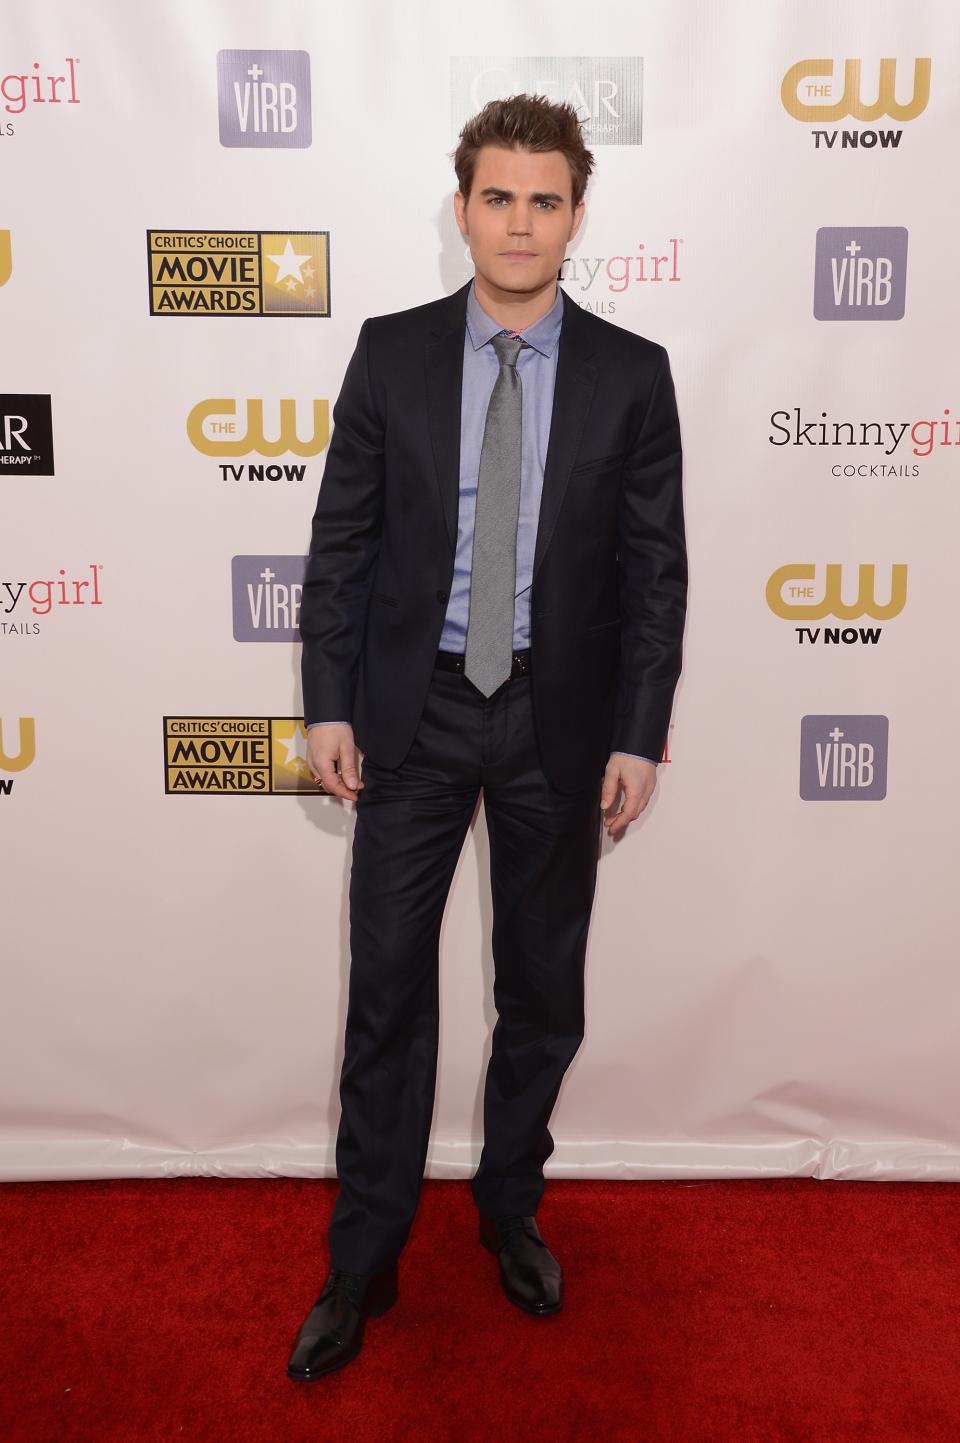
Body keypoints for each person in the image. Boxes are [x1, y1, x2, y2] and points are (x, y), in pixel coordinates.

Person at [287, 93, 687, 1381]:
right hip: (411, 719)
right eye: (497, 198)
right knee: (388, 996)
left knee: (542, 994)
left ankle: (508, 1208)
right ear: (462, 207)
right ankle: (363, 1259)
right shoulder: (389, 352)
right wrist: (330, 702)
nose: (519, 225)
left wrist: (640, 731)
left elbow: (654, 574)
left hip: (555, 725)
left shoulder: (634, 373)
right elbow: (341, 542)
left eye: (545, 201)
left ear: (577, 215)